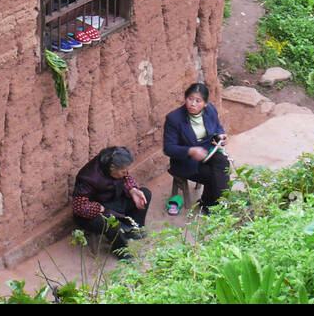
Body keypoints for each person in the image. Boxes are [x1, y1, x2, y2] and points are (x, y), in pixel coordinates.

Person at [71, 146, 151, 259]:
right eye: (123, 171)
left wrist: (133, 190)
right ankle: (120, 250)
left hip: (112, 201)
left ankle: (131, 229)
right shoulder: (88, 177)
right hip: (94, 212)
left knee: (145, 194)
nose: (126, 173)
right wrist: (99, 209)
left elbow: (126, 177)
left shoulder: (115, 166)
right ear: (112, 167)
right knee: (111, 223)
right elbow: (79, 207)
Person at [162, 82, 230, 214]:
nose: (193, 104)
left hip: (208, 151)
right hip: (186, 160)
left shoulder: (210, 110)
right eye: (190, 99)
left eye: (198, 101)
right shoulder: (174, 119)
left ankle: (215, 203)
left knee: (223, 164)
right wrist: (190, 151)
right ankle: (214, 206)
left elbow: (217, 127)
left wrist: (220, 135)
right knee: (212, 175)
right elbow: (168, 148)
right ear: (185, 99)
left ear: (205, 104)